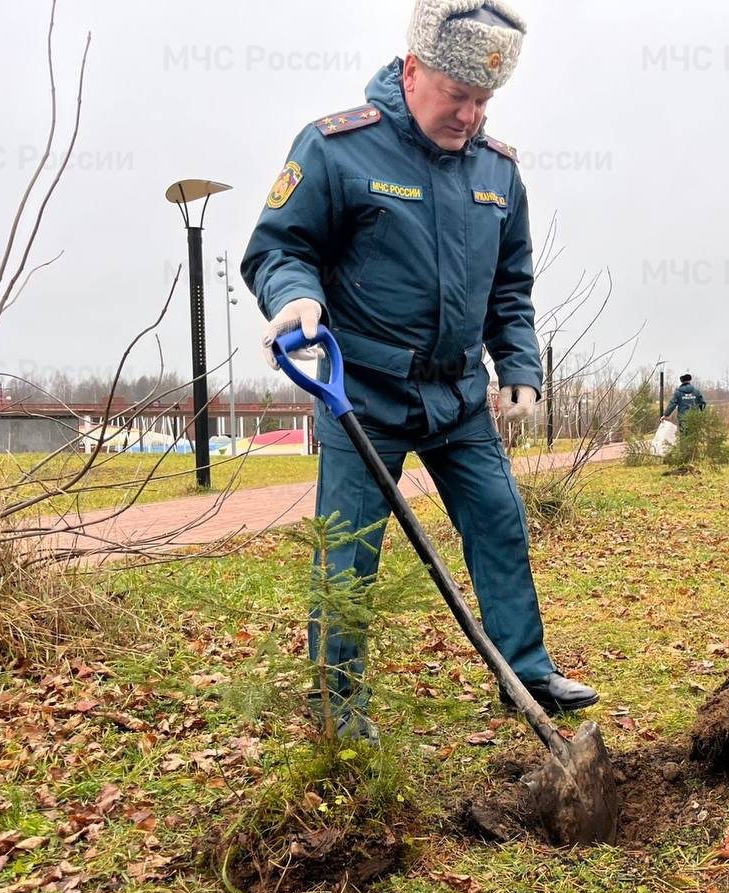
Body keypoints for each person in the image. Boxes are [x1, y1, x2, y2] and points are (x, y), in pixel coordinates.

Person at [241, 0, 599, 740]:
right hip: (363, 393)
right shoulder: (337, 149)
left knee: (499, 523)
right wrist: (296, 296)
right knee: (348, 553)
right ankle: (338, 706)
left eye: (484, 100)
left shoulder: (498, 171)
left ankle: (525, 673)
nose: (470, 115)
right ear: (412, 71)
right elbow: (279, 248)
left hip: (458, 395)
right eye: (457, 95)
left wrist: (518, 363)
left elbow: (511, 286)